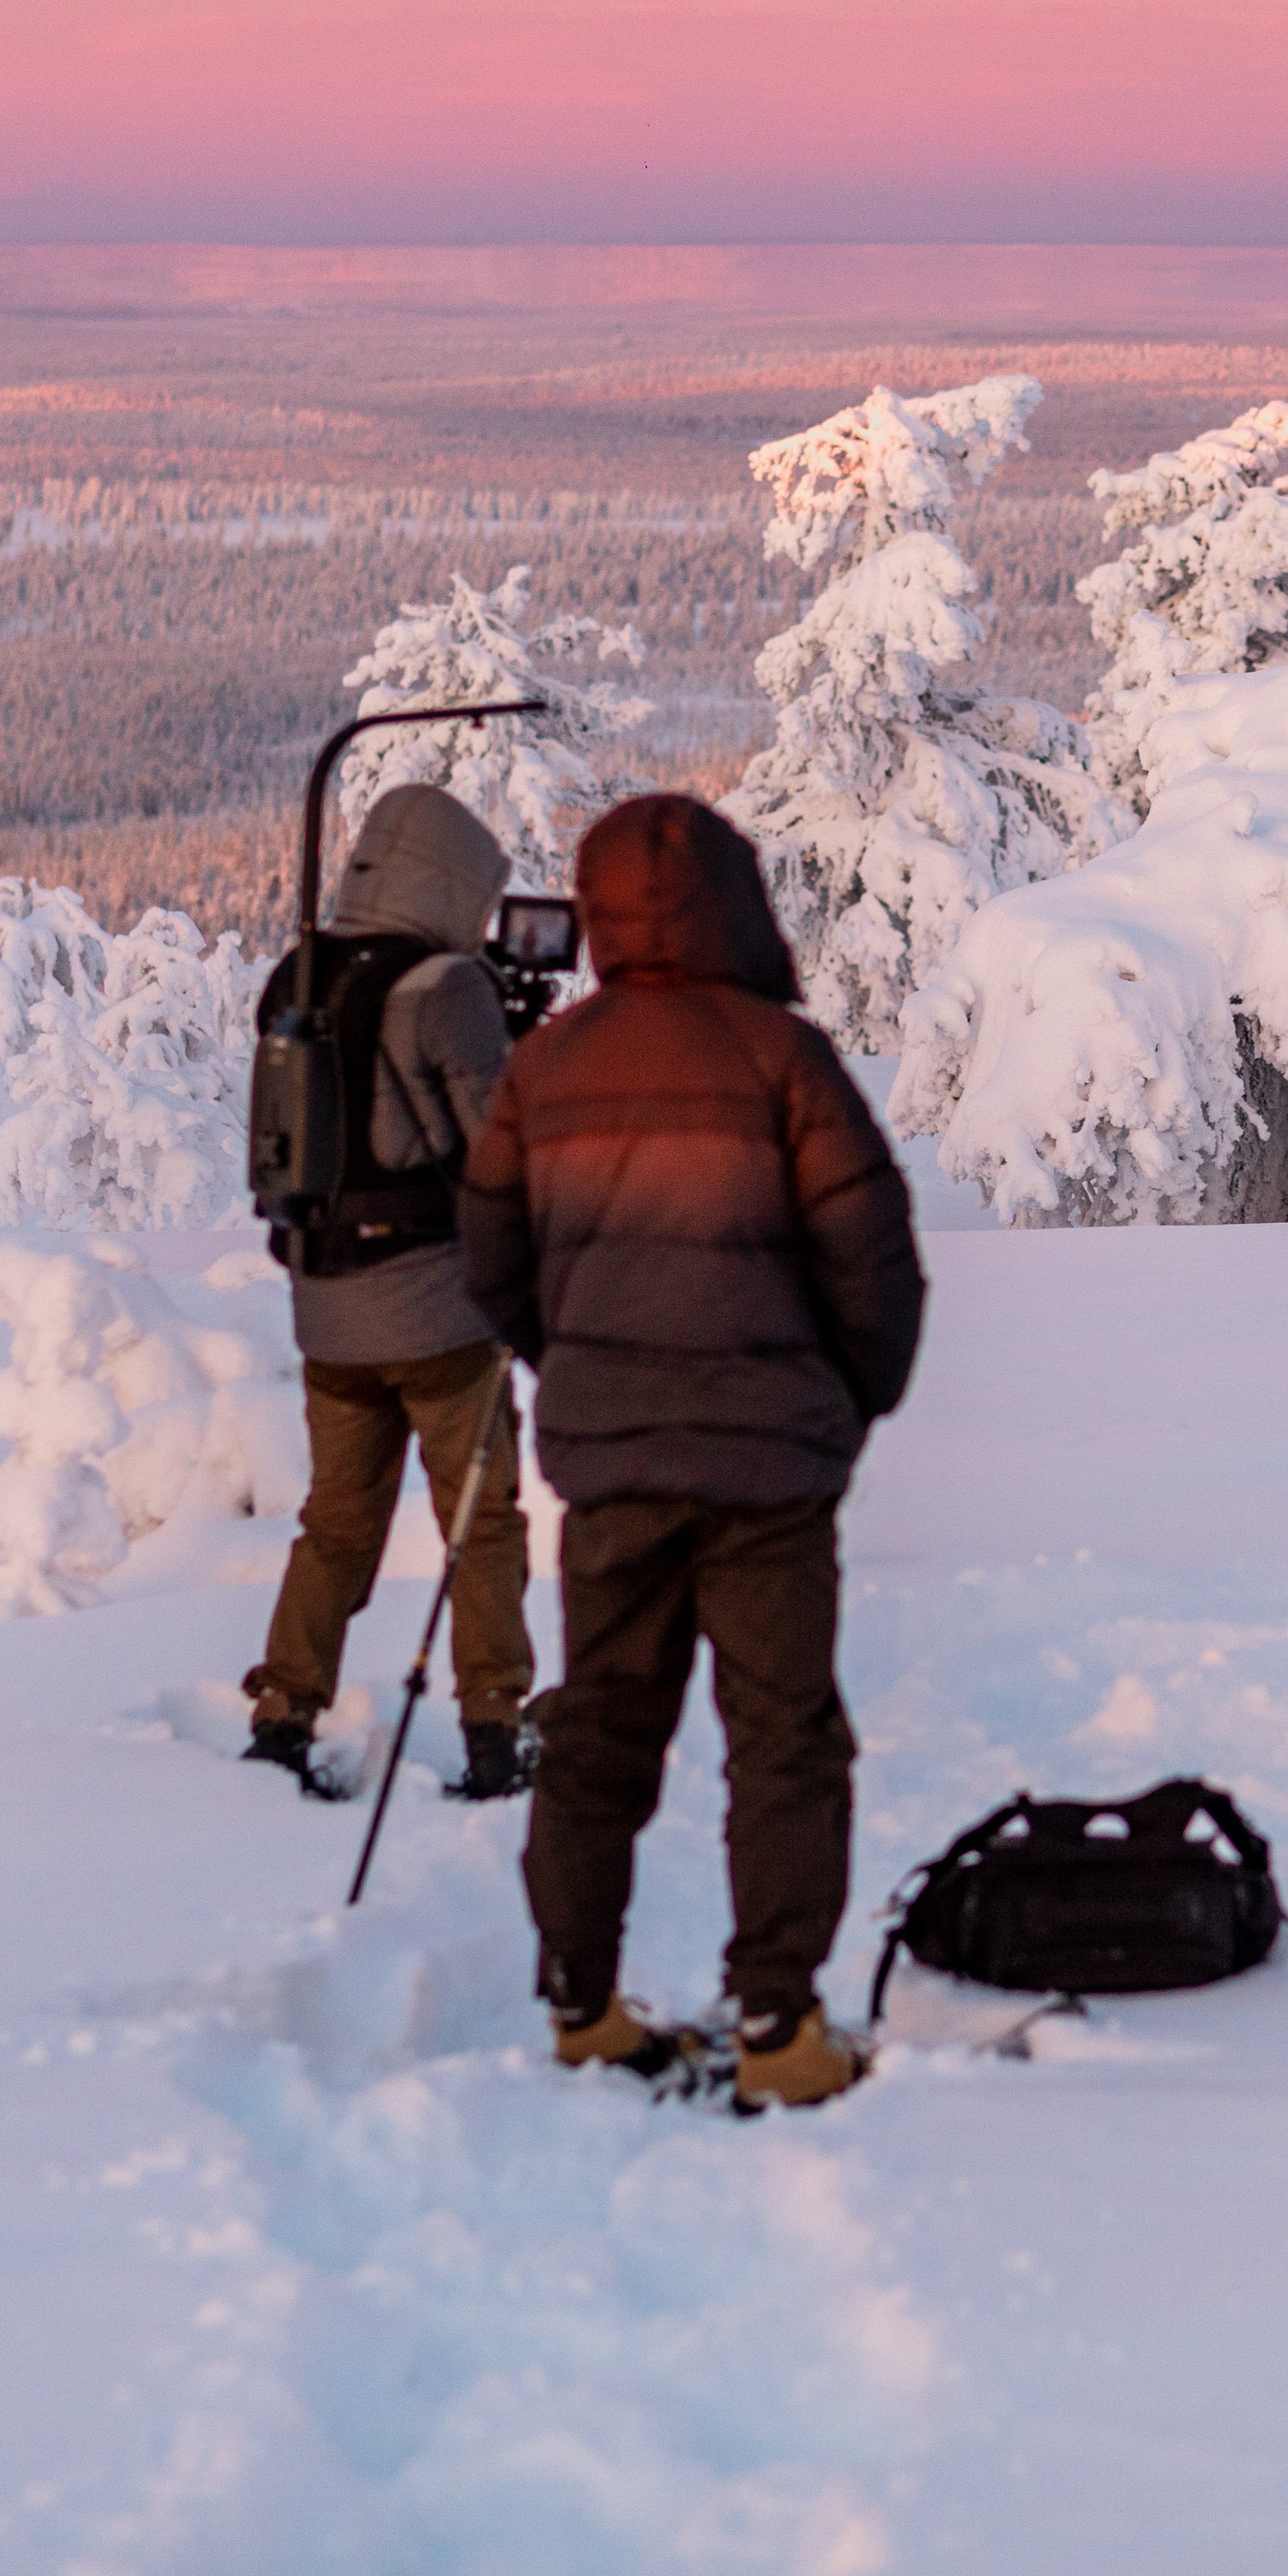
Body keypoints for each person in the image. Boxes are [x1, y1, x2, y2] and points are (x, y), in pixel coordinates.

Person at [463, 793, 926, 2111]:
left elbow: (492, 1267)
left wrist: (590, 1368)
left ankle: (582, 2005)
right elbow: (873, 1261)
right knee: (780, 1741)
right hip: (773, 1472)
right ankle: (781, 2026)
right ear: (735, 901)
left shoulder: (546, 1070)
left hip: (616, 1466)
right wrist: (847, 1404)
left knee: (602, 1729)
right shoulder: (783, 1059)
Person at [247, 783, 540, 1801]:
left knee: (336, 1522)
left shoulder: (303, 972)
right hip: (439, 1314)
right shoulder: (444, 988)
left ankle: (284, 1713)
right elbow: (503, 1145)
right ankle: (494, 1733)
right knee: (483, 1523)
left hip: (329, 1310)